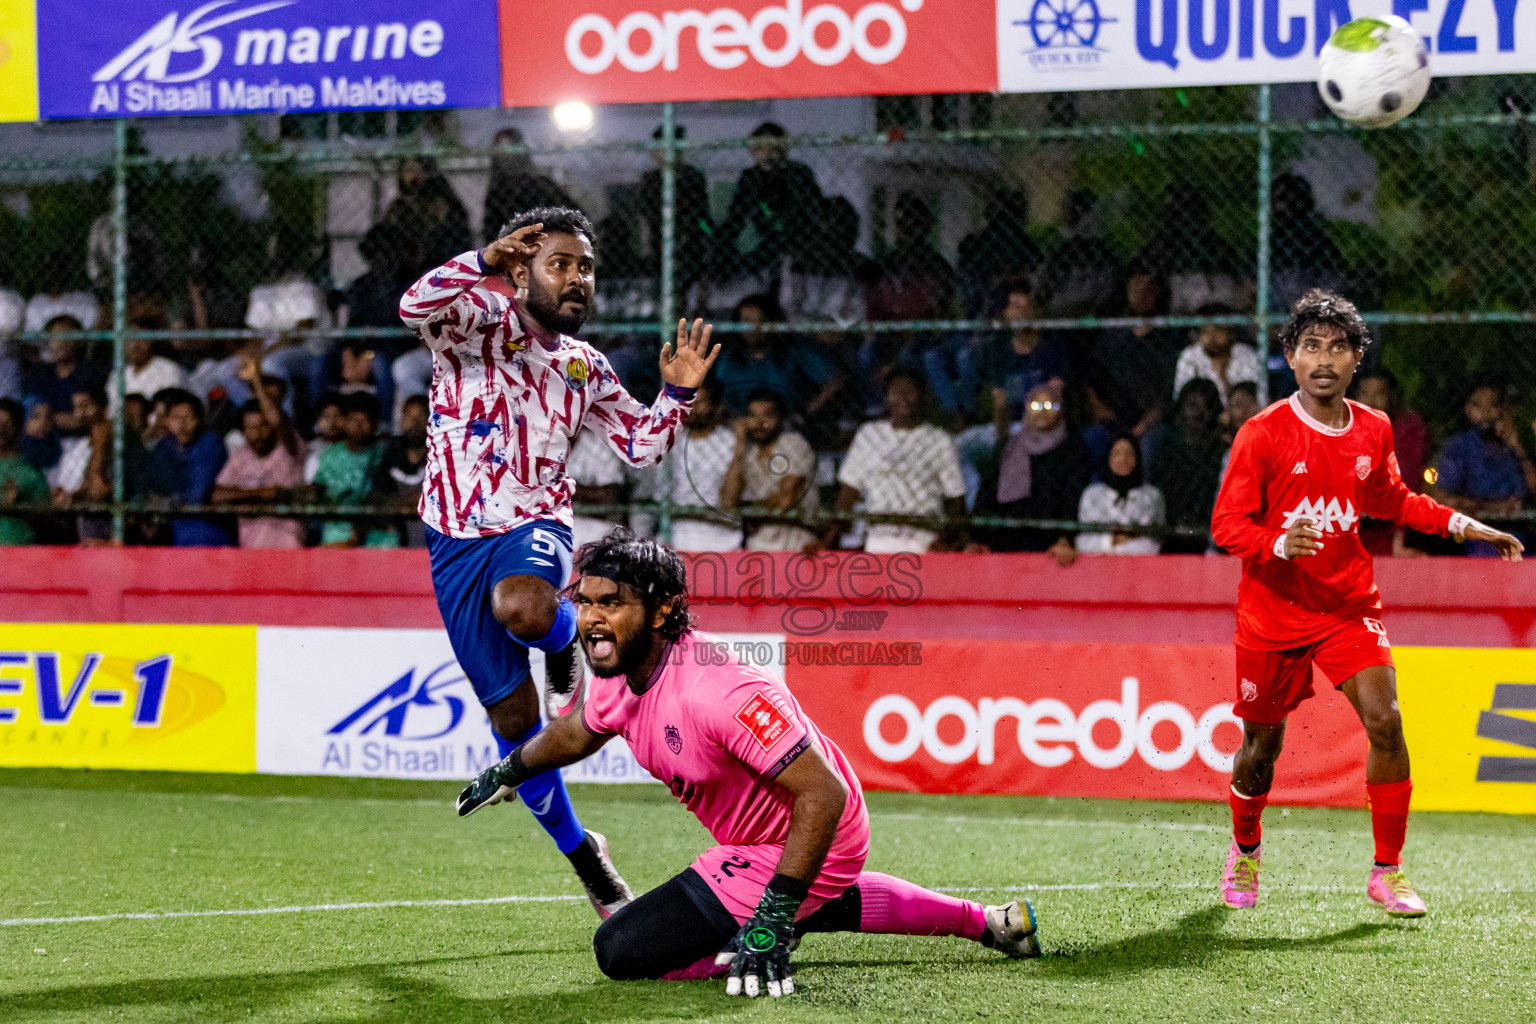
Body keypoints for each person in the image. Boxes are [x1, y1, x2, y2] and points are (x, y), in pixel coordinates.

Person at [455, 533, 1042, 994]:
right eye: (583, 602)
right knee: (822, 901)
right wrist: (509, 770)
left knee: (621, 951)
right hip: (765, 841)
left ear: (660, 613)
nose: (591, 620)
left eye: (612, 603)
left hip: (816, 831)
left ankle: (766, 925)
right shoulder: (619, 668)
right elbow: (577, 733)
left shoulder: (722, 690)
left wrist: (774, 917)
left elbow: (824, 794)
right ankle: (989, 921)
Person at [398, 205, 719, 916]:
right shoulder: (470, 322)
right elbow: (410, 303)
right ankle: (587, 858)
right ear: (520, 269)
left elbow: (640, 447)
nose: (578, 280)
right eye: (561, 265)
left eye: (586, 268)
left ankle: (565, 637)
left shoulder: (584, 365)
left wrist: (677, 394)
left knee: (525, 607)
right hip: (453, 538)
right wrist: (481, 259)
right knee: (518, 727)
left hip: (535, 519)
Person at [1210, 289, 1522, 919]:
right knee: (1260, 753)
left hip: (1348, 606)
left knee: (1387, 721)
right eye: (1310, 346)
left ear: (1356, 360)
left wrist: (1466, 526)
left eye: (1338, 346)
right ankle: (1245, 848)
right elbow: (1225, 525)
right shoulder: (1261, 433)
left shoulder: (1374, 429)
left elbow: (1394, 499)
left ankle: (1388, 871)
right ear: (1292, 359)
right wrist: (1276, 541)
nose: (1324, 358)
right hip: (1271, 615)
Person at [824, 371, 966, 554]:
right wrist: (830, 538)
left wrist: (946, 540)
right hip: (878, 538)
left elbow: (955, 497)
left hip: (923, 540)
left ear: (923, 395)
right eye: (896, 391)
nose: (903, 398)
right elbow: (849, 491)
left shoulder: (939, 439)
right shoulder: (869, 435)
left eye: (910, 391)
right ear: (887, 396)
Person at [980, 384, 1091, 563]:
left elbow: (1073, 498)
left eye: (1050, 406)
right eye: (1035, 406)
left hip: (1051, 546)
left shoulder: (1073, 451)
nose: (1042, 412)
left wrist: (1065, 538)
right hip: (1004, 544)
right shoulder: (1008, 447)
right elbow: (987, 492)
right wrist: (979, 539)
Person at [1432, 381, 1535, 558]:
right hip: (1476, 546)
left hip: (1520, 544)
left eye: (1493, 406)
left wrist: (1517, 447)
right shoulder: (1459, 447)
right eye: (1479, 406)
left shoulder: (1515, 449)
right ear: (1468, 409)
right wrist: (1491, 507)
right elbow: (1442, 498)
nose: (1486, 414)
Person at [713, 123, 823, 275]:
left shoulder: (797, 173)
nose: (767, 155)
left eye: (773, 149)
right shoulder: (750, 177)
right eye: (760, 149)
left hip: (798, 236)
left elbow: (812, 209)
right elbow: (737, 215)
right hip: (767, 239)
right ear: (752, 151)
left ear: (783, 151)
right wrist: (718, 239)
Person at [720, 389, 818, 552]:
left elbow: (785, 501)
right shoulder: (748, 452)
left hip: (796, 539)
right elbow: (728, 501)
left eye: (767, 415)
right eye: (753, 416)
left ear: (780, 419)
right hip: (759, 541)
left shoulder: (794, 444)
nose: (759, 422)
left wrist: (746, 509)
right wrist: (739, 446)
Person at [213, 396, 306, 549]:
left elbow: (280, 422)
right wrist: (261, 494)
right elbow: (218, 495)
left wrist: (256, 381)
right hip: (250, 552)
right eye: (251, 428)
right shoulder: (240, 458)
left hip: (288, 552)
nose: (258, 433)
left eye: (264, 426)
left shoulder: (290, 452)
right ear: (243, 432)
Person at [1354, 369, 1430, 557]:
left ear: (1391, 397)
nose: (1371, 401)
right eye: (1365, 394)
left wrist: (1398, 540)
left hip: (1394, 535)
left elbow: (1408, 482)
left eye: (1379, 393)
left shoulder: (1407, 430)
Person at [987, 277, 1071, 446]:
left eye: (1024, 308)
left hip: (1044, 425)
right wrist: (1000, 440)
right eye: (1013, 307)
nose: (1019, 314)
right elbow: (1000, 403)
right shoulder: (1000, 350)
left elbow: (1054, 400)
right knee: (964, 443)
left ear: (1036, 311)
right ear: (1006, 314)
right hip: (1011, 426)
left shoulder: (1052, 347)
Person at [664, 377, 743, 552]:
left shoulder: (729, 442)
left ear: (714, 406)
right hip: (679, 534)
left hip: (723, 537)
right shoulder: (671, 444)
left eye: (700, 403)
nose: (693, 409)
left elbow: (732, 499)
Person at [1149, 378, 1227, 554]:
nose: (1199, 414)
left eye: (1206, 407)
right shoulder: (1165, 449)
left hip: (1209, 531)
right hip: (1170, 529)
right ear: (1181, 408)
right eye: (1192, 405)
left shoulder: (1220, 451)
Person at [311, 392, 395, 549]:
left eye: (365, 420)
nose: (359, 426)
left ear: (375, 424)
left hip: (377, 541)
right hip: (334, 538)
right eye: (353, 420)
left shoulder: (384, 454)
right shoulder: (330, 454)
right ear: (343, 421)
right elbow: (317, 487)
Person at [153, 389, 231, 547]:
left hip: (209, 534)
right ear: (167, 421)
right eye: (176, 418)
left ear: (199, 420)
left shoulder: (210, 442)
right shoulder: (165, 445)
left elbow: (195, 495)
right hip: (177, 534)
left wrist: (164, 499)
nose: (182, 425)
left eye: (189, 418)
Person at [482, 128, 576, 247]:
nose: (507, 157)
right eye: (502, 151)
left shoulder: (540, 184)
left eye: (511, 149)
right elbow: (490, 230)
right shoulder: (496, 191)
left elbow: (571, 212)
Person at [1076, 433, 1164, 555]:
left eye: (1129, 453)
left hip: (1140, 568)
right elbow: (1084, 543)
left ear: (1138, 458)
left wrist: (1113, 546)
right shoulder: (1092, 494)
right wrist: (1112, 541)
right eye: (1117, 453)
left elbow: (1152, 545)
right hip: (1098, 568)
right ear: (1108, 458)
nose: (1123, 459)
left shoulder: (1152, 496)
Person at [1171, 307, 1261, 410]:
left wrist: (1223, 377)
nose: (1211, 338)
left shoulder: (1246, 355)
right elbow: (1181, 399)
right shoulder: (1190, 356)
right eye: (1205, 332)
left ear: (1231, 333)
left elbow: (1254, 398)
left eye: (1218, 330)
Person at [0, 397, 48, 545]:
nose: (1, 429)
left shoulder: (31, 471)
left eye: (7, 424)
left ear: (20, 428)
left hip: (20, 548)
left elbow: (46, 517)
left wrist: (20, 505)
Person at [107, 334, 187, 416]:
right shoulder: (118, 374)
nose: (136, 346)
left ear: (151, 343)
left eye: (142, 341)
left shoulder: (169, 370)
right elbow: (112, 410)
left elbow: (170, 410)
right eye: (131, 341)